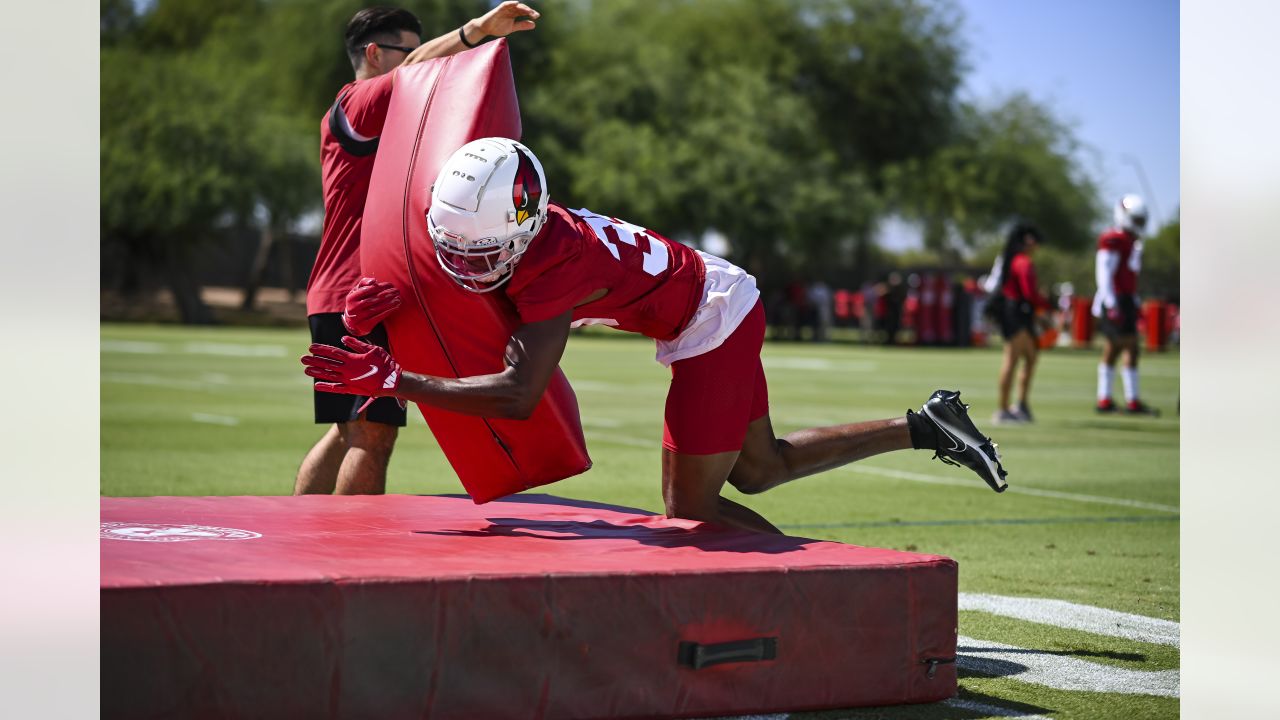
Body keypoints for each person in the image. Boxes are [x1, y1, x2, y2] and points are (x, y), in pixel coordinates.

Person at [301, 138, 1009, 533]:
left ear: (523, 223)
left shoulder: (552, 262)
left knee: (690, 514)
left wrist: (399, 379)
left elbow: (520, 395)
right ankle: (924, 425)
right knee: (759, 470)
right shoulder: (505, 229)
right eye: (453, 250)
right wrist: (386, 308)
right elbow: (458, 271)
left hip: (711, 319)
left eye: (479, 254)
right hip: (715, 293)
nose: (465, 267)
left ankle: (811, 594)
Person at [296, 3, 542, 496]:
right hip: (358, 298)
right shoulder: (360, 100)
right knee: (373, 435)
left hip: (347, 293)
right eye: (409, 51)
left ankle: (309, 544)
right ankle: (351, 561)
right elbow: (415, 72)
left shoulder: (379, 115)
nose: (427, 62)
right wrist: (476, 33)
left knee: (350, 430)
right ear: (373, 52)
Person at [1092, 194, 1159, 415]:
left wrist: (1134, 300)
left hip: (1126, 299)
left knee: (1127, 348)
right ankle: (1110, 400)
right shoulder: (1113, 239)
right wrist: (1111, 303)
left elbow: (1130, 276)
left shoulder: (1130, 241)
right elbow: (1104, 273)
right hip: (1116, 299)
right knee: (1118, 347)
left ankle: (1123, 400)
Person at [990, 224, 1051, 424]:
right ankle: (1004, 408)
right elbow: (1029, 293)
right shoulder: (1023, 262)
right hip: (1017, 314)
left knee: (1029, 357)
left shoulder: (1013, 260)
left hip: (1016, 313)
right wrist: (1046, 306)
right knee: (1014, 359)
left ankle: (1019, 404)